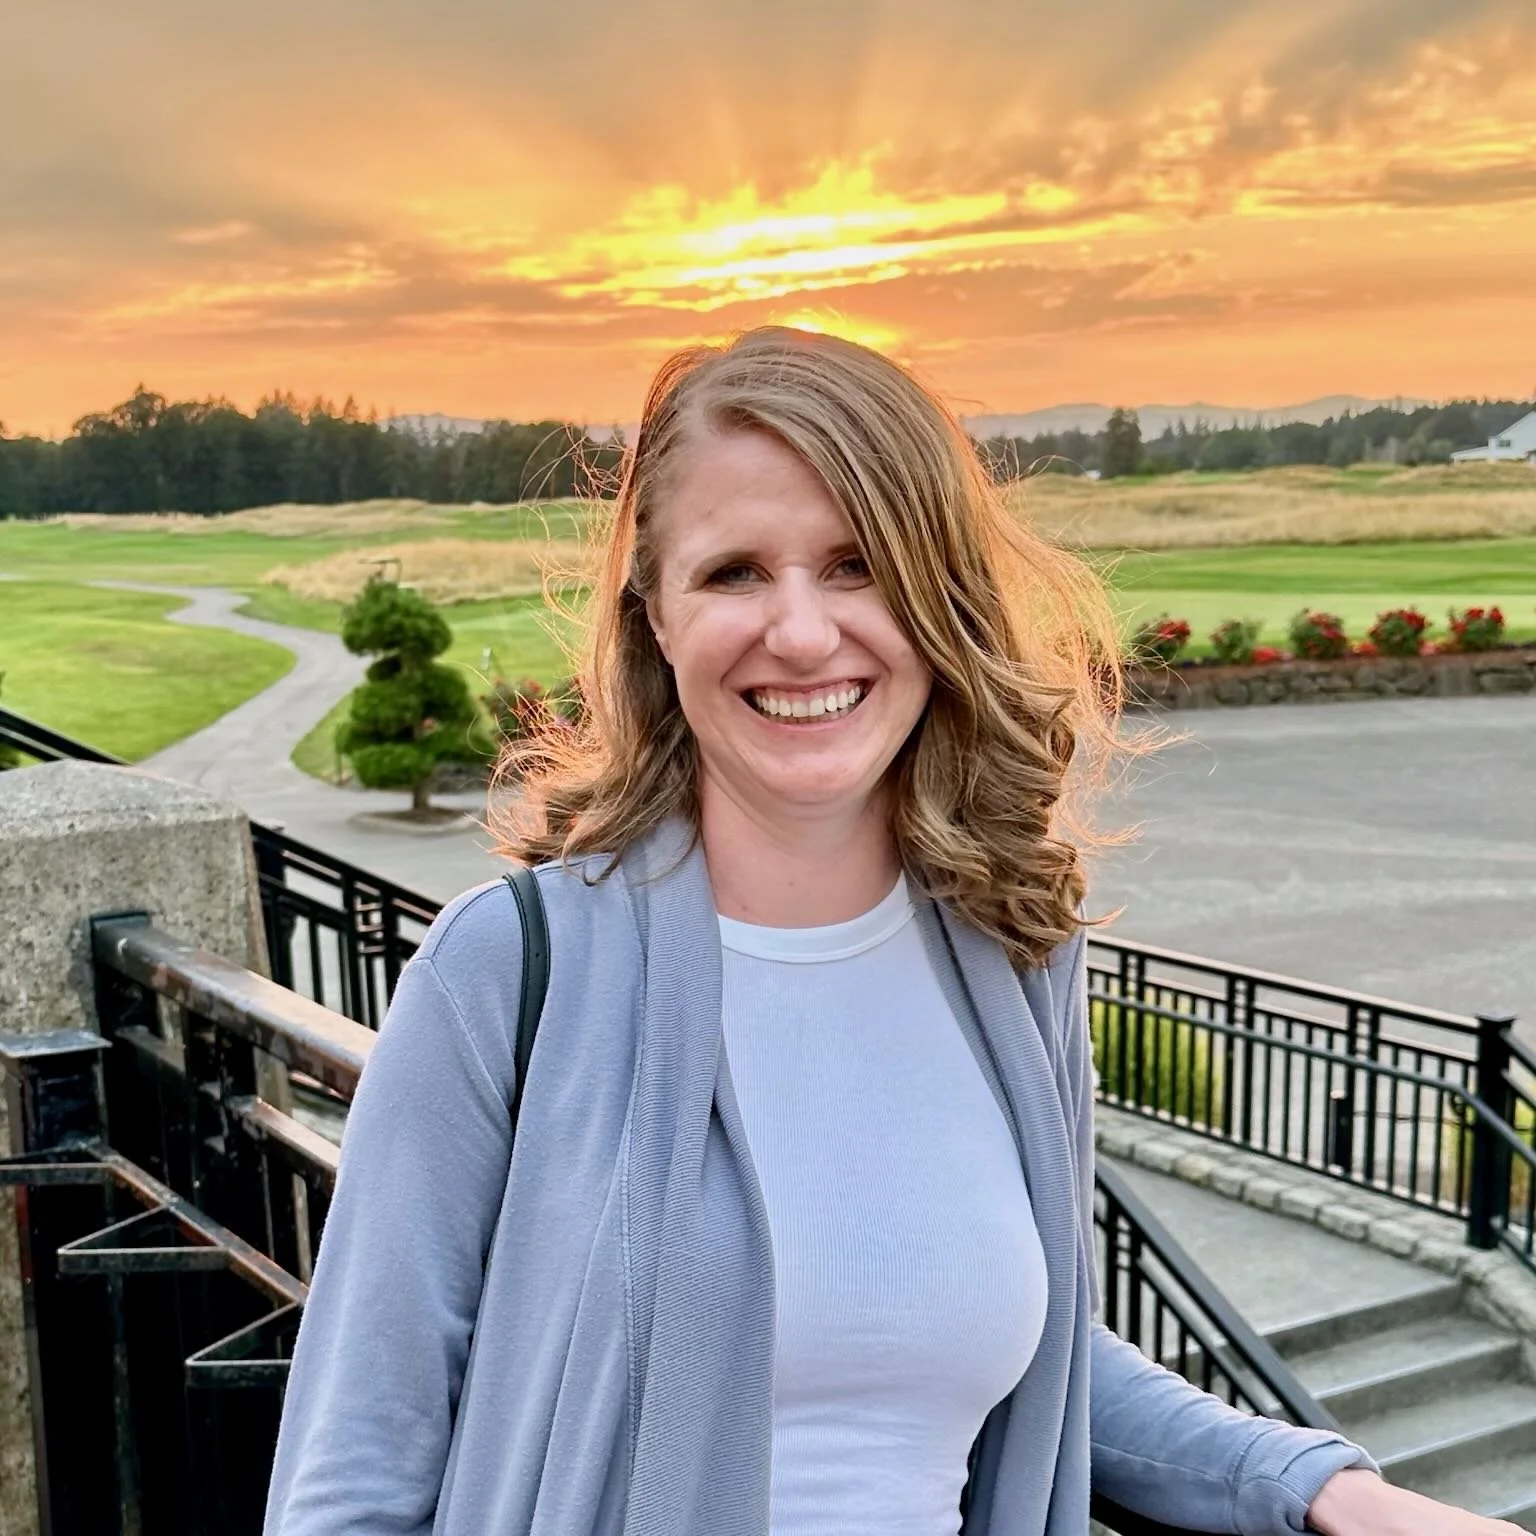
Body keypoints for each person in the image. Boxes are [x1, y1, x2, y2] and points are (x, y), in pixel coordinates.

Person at [263, 327, 1516, 1536]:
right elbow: (353, 1476)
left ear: (940, 597)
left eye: (858, 564)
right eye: (735, 571)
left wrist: (1312, 1484)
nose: (803, 632)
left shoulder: (1007, 957)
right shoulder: (509, 972)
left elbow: (1007, 1350)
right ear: (653, 610)